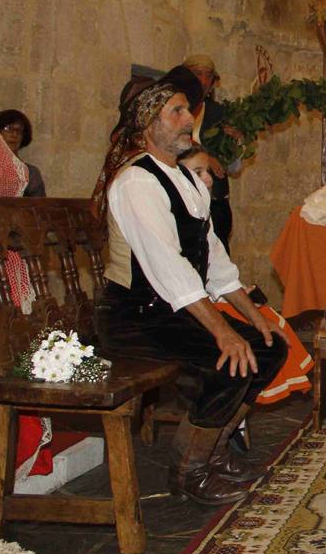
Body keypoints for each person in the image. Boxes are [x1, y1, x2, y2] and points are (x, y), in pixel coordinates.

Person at [93, 71, 289, 505]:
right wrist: (223, 330)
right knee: (227, 358)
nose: (188, 119)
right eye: (177, 112)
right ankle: (189, 473)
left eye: (188, 110)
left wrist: (253, 315)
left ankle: (214, 453)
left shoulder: (183, 179)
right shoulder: (137, 183)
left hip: (170, 309)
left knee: (271, 349)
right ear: (149, 125)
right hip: (136, 316)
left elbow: (212, 257)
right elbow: (168, 269)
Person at [178, 146, 313, 410]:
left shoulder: (202, 214)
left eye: (208, 171)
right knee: (253, 334)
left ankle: (236, 408)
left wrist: (243, 297)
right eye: (198, 172)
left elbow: (219, 270)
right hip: (186, 307)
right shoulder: (171, 215)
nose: (208, 179)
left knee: (270, 321)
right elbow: (180, 279)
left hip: (208, 297)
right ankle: (226, 407)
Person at [182, 54, 235, 250]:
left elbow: (233, 166)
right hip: (183, 198)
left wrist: (237, 143)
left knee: (218, 253)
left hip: (214, 199)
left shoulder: (219, 113)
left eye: (208, 76)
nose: (203, 81)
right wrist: (206, 156)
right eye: (197, 74)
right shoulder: (173, 110)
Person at [0, 109, 45, 197]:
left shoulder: (30, 173)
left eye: (19, 130)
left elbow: (41, 207)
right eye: (9, 129)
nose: (14, 134)